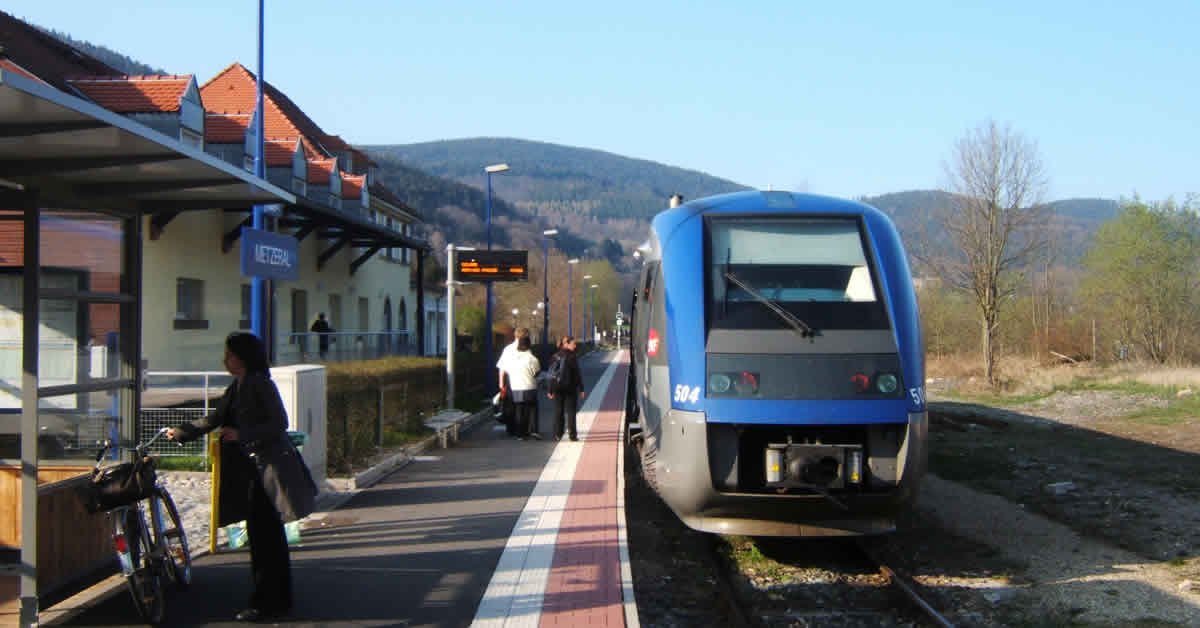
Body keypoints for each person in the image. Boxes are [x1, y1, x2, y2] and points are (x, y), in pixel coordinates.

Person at [166, 332, 317, 622]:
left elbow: (279, 423)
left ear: (243, 358)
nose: (226, 360)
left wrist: (242, 434)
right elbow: (215, 418)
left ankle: (266, 602)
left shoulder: (259, 384)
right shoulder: (237, 386)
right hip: (253, 472)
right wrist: (183, 432)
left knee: (266, 538)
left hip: (266, 471)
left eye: (231, 355)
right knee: (264, 537)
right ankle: (273, 599)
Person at [547, 336, 586, 441]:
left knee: (558, 410)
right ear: (566, 344)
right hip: (570, 388)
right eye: (573, 343)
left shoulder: (555, 356)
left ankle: (558, 434)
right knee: (571, 412)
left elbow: (551, 375)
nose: (575, 345)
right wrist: (581, 388)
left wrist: (550, 390)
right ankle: (572, 435)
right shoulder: (572, 357)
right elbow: (577, 374)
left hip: (557, 388)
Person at [504, 333, 541, 440]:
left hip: (516, 387)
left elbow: (508, 371)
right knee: (532, 408)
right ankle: (533, 430)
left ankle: (520, 433)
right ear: (529, 345)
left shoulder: (512, 358)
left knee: (519, 410)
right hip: (529, 386)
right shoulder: (532, 358)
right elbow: (536, 372)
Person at [496, 327, 530, 436]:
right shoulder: (527, 349)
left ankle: (512, 428)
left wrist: (501, 383)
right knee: (523, 405)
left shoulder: (508, 349)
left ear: (515, 336)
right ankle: (523, 429)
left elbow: (502, 367)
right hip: (524, 379)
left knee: (511, 404)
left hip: (510, 379)